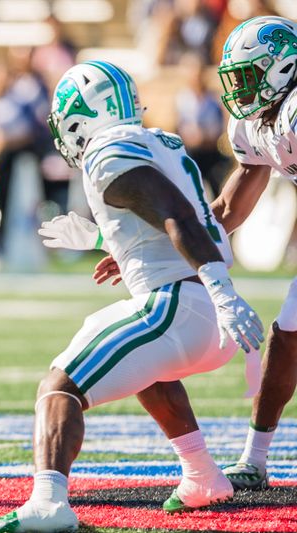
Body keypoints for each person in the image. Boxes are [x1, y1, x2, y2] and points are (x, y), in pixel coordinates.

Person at [0, 61, 264, 533]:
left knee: (58, 387)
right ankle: (203, 475)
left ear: (80, 116)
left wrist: (223, 290)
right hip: (199, 313)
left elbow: (177, 218)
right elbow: (170, 215)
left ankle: (48, 504)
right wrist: (111, 241)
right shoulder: (158, 140)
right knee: (147, 368)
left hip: (181, 305)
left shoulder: (108, 151)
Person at [209, 15, 297, 490]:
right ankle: (254, 459)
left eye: (247, 76)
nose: (239, 90)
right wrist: (156, 247)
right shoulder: (260, 121)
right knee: (287, 335)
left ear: (280, 70)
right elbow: (228, 206)